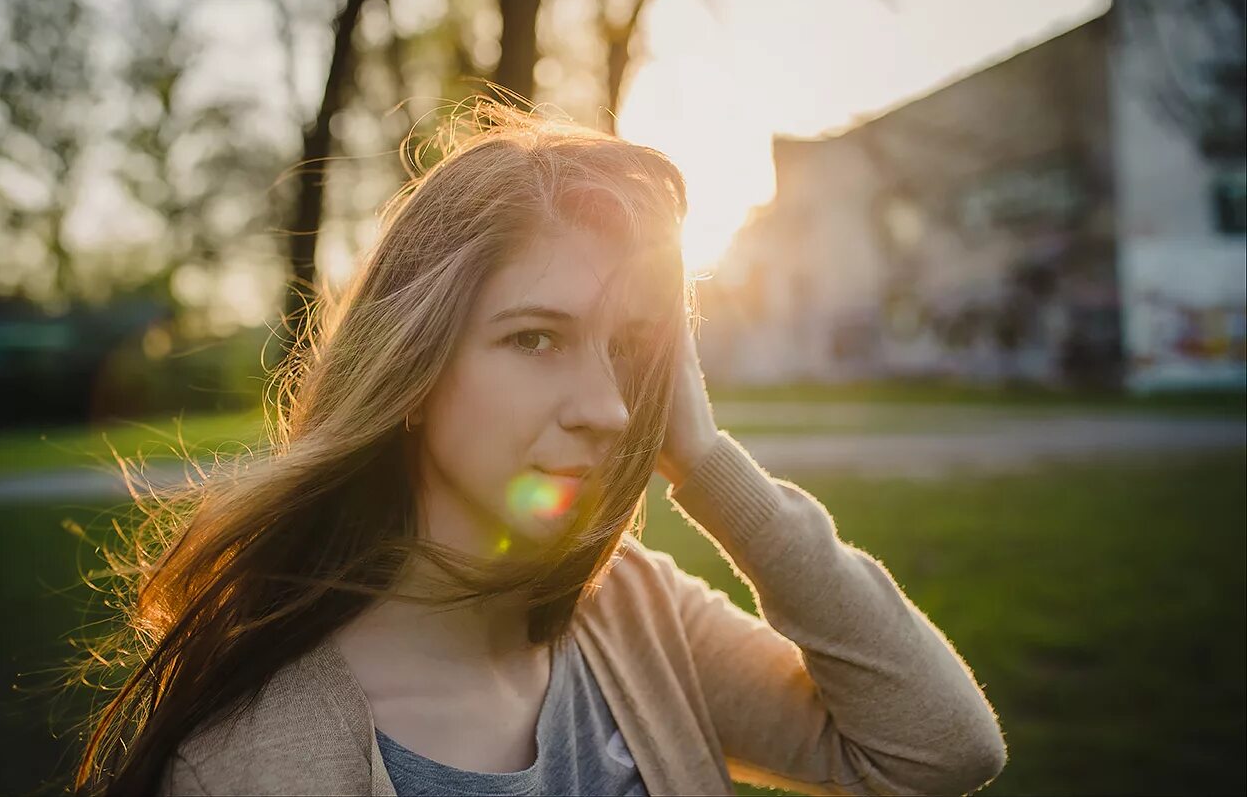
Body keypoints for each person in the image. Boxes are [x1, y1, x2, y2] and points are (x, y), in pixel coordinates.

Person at [73, 100, 1007, 796]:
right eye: (535, 337)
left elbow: (939, 749)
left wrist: (709, 461)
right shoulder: (247, 762)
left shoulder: (634, 615)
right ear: (411, 368)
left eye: (628, 353)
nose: (607, 406)